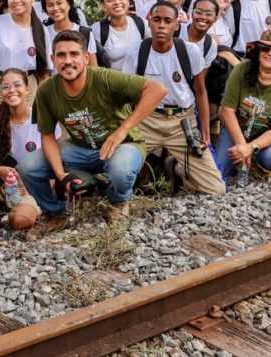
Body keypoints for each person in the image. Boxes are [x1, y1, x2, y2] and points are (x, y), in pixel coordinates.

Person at [18, 30, 166, 229]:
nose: (68, 61)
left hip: (122, 144)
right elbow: (47, 136)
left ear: (86, 58)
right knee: (28, 167)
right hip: (80, 148)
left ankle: (117, 201)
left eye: (74, 54)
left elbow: (157, 90)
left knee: (121, 171)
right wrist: (62, 176)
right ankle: (55, 213)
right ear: (53, 59)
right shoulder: (46, 91)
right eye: (61, 55)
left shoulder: (104, 78)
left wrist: (122, 130)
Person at [133, 2, 225, 195]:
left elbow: (200, 91)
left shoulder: (190, 51)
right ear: (149, 21)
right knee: (121, 168)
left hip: (182, 122)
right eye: (156, 20)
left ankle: (179, 169)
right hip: (148, 120)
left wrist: (205, 133)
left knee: (216, 190)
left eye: (168, 21)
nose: (162, 25)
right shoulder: (137, 52)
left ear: (177, 25)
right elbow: (127, 95)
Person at [212, 28, 271, 186]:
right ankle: (243, 161)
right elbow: (227, 110)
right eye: (265, 48)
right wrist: (242, 145)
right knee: (218, 172)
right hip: (238, 128)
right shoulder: (241, 71)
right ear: (258, 52)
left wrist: (250, 147)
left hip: (270, 133)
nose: (270, 53)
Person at [0, 68, 45, 231]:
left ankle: (12, 215)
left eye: (17, 85)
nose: (11, 90)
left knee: (21, 220)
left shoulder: (42, 118)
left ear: (28, 89)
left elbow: (54, 160)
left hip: (27, 188)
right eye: (5, 87)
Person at [42, 0, 98, 71]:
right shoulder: (42, 32)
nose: (55, 8)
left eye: (59, 3)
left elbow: (93, 68)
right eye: (50, 5)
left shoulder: (84, 33)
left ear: (69, 4)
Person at [94, 0, 148, 72]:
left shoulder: (141, 24)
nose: (117, 2)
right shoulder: (97, 30)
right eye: (110, 0)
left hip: (140, 82)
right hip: (113, 83)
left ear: (127, 1)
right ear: (103, 7)